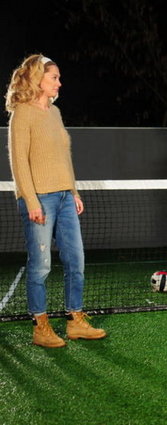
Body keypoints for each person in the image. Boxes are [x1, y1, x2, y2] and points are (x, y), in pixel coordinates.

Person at [5, 54, 107, 347]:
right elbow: (19, 162)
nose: (59, 83)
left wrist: (73, 192)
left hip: (64, 198)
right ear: (38, 79)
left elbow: (63, 156)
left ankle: (75, 321)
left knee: (76, 260)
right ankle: (41, 327)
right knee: (41, 266)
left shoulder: (55, 112)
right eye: (54, 77)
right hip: (40, 199)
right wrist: (31, 200)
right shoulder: (22, 113)